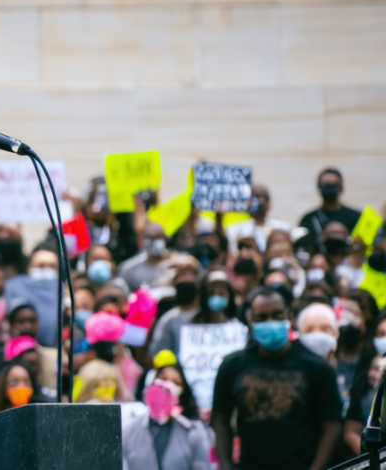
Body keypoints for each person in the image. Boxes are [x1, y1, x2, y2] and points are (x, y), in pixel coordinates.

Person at [212, 287, 341, 470]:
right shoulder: (232, 366)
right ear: (251, 320)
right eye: (262, 317)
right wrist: (225, 465)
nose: (270, 322)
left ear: (289, 316)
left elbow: (332, 426)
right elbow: (220, 420)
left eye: (277, 314)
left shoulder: (317, 367)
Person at [121, 362, 210, 470]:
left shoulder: (193, 432)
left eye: (176, 382)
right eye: (163, 379)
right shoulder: (129, 431)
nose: (167, 386)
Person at [223, 184, 297, 254]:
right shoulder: (235, 230)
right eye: (252, 199)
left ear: (268, 204)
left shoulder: (284, 228)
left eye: (260, 199)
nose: (255, 204)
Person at [299, 168, 361, 246]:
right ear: (319, 188)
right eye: (326, 185)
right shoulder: (308, 220)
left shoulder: (356, 218)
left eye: (333, 185)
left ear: (341, 188)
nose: (329, 188)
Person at [118, 222, 172, 289]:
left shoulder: (177, 264)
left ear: (164, 238)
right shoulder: (129, 268)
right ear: (143, 240)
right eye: (151, 238)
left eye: (158, 237)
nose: (154, 241)